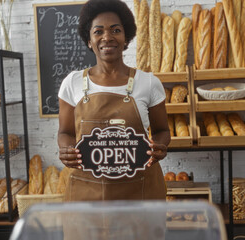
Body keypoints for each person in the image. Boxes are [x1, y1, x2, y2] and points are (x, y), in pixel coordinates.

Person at [57, 0, 170, 201]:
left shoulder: (149, 83)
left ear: (126, 38)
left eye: (115, 30)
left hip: (141, 192)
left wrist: (159, 147)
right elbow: (65, 132)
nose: (107, 37)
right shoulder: (72, 83)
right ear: (89, 40)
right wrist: (66, 150)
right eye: (98, 31)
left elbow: (162, 131)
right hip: (87, 193)